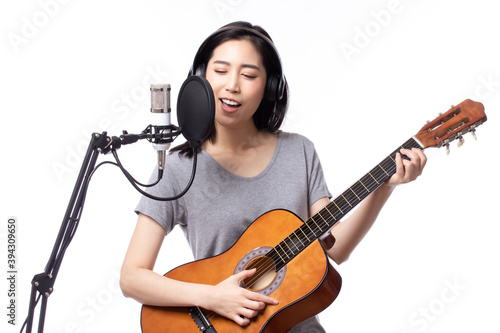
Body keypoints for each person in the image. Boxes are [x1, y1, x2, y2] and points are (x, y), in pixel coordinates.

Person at [120, 21, 426, 332]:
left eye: (249, 75)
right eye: (221, 70)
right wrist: (212, 297)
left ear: (270, 87)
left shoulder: (300, 152)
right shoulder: (179, 167)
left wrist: (384, 188)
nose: (232, 85)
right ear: (200, 79)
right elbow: (132, 277)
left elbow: (336, 249)